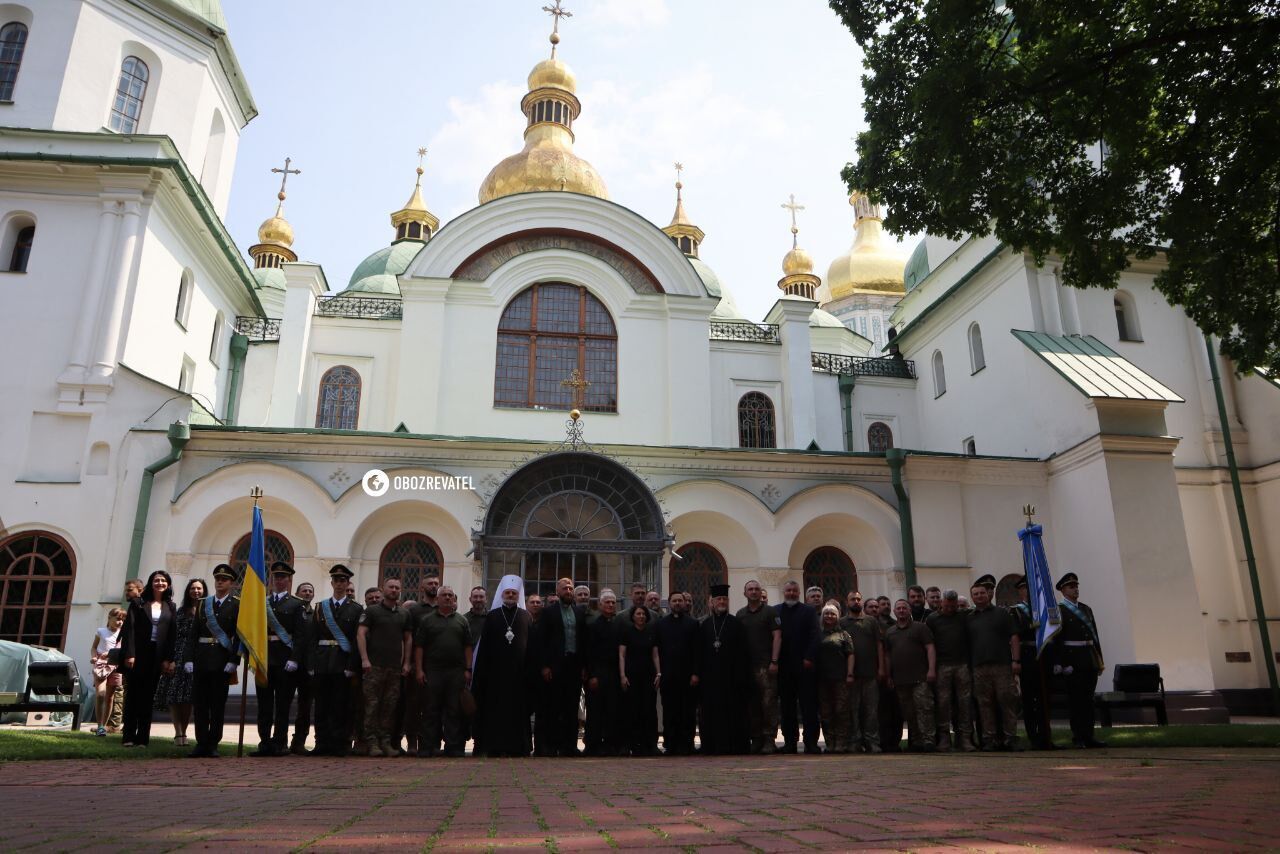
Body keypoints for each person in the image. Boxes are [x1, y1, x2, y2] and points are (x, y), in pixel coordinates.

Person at [472, 576, 534, 757]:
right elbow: (484, 648)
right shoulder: (492, 616)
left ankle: (518, 747)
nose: (510, 595)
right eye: (507, 592)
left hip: (518, 675)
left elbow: (531, 646)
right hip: (495, 675)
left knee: (517, 712)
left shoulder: (525, 617)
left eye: (514, 593)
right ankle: (494, 746)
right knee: (495, 711)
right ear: (502, 594)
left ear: (518, 595)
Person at [251, 562, 307, 757]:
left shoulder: (296, 604)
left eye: (283, 577)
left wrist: (295, 659)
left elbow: (300, 636)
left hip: (285, 660)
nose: (279, 580)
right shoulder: (262, 602)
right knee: (264, 704)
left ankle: (280, 743)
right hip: (264, 658)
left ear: (289, 580)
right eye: (276, 577)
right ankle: (264, 742)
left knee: (282, 704)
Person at [185, 565, 240, 758]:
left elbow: (239, 635)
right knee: (200, 704)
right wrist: (188, 658)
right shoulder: (203, 604)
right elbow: (193, 634)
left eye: (224, 579)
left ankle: (213, 743)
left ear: (231, 583)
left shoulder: (236, 604)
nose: (220, 582)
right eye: (217, 578)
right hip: (201, 659)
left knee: (217, 704)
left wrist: (235, 660)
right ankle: (201, 743)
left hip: (222, 659)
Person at [413, 586, 473, 757]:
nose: (447, 598)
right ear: (437, 599)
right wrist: (419, 670)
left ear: (454, 599)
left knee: (454, 710)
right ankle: (427, 746)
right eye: (444, 595)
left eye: (450, 595)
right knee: (431, 710)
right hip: (433, 671)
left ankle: (453, 746)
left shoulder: (462, 621)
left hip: (456, 672)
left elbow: (467, 646)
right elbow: (419, 647)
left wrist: (468, 669)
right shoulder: (427, 620)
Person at [120, 569, 177, 748]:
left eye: (163, 581)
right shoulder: (138, 602)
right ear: (151, 583)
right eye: (156, 580)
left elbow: (171, 634)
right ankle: (128, 736)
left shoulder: (171, 606)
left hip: (157, 655)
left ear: (168, 585)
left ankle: (143, 738)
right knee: (133, 696)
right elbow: (129, 629)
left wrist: (168, 658)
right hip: (138, 654)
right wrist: (130, 654)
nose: (160, 583)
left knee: (148, 697)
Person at [310, 565, 362, 757]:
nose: (339, 584)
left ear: (348, 584)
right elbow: (312, 638)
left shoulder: (356, 609)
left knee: (341, 705)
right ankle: (321, 743)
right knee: (321, 705)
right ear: (331, 583)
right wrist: (311, 665)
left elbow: (357, 640)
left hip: (343, 662)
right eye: (336, 580)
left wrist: (352, 665)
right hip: (322, 662)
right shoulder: (320, 607)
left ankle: (340, 744)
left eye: (343, 581)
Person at [357, 577, 412, 757]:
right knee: (372, 705)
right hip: (374, 666)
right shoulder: (372, 611)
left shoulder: (404, 614)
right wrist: (365, 659)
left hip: (394, 668)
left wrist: (406, 662)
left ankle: (385, 741)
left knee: (390, 706)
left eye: (397, 587)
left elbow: (408, 639)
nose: (394, 590)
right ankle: (371, 742)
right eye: (391, 587)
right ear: (384, 589)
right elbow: (361, 633)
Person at [694, 584, 750, 755]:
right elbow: (698, 652)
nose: (722, 602)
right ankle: (710, 746)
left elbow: (743, 652)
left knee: (732, 712)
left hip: (731, 678)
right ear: (711, 602)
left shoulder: (736, 624)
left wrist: (741, 676)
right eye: (719, 599)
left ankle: (733, 746)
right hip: (709, 678)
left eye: (724, 599)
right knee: (710, 712)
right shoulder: (704, 625)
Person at [536, 577, 589, 757]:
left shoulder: (579, 612)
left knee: (571, 707)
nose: (568, 591)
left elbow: (583, 641)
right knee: (554, 707)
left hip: (574, 665)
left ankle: (570, 746)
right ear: (557, 592)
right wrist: (544, 666)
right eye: (564, 588)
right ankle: (551, 746)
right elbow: (541, 641)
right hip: (555, 666)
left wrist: (583, 666)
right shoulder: (548, 612)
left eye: (570, 588)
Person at [1053, 572, 1106, 749]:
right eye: (1071, 586)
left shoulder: (1086, 609)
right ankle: (1078, 737)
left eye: (1076, 586)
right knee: (1076, 701)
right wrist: (1062, 662)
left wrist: (1099, 658)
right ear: (1062, 590)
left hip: (1088, 657)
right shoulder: (1058, 610)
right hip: (1072, 660)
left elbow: (1095, 635)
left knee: (1088, 700)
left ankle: (1090, 735)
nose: (1075, 589)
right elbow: (1056, 639)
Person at [155, 578, 204, 747]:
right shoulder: (180, 611)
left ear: (204, 591)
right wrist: (171, 659)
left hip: (197, 656)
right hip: (178, 654)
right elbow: (172, 636)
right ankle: (178, 732)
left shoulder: (206, 611)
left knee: (188, 698)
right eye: (192, 588)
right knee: (174, 696)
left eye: (199, 588)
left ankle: (185, 730)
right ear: (188, 591)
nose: (195, 591)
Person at [885, 598, 936, 752]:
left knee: (924, 709)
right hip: (900, 680)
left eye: (904, 608)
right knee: (909, 713)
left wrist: (931, 669)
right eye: (898, 608)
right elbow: (887, 655)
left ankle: (929, 741)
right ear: (894, 611)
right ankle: (916, 742)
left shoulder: (920, 628)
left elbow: (930, 648)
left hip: (920, 678)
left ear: (909, 610)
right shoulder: (890, 632)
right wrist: (888, 675)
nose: (901, 611)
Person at [736, 579, 781, 754]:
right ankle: (756, 739)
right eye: (750, 589)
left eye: (756, 589)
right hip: (748, 668)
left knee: (769, 704)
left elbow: (777, 637)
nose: (753, 592)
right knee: (752, 705)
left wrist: (774, 661)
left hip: (766, 667)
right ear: (745, 593)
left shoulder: (770, 612)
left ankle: (769, 739)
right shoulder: (740, 615)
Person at [925, 590, 974, 751]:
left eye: (953, 606)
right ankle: (944, 738)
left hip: (962, 665)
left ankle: (964, 738)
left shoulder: (963, 616)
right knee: (943, 704)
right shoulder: (932, 619)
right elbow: (929, 644)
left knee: (964, 703)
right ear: (941, 603)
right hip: (942, 666)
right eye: (947, 606)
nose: (950, 609)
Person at [776, 580, 820, 754]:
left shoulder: (808, 611)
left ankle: (811, 743)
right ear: (783, 592)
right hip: (784, 667)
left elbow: (815, 635)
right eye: (788, 590)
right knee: (787, 707)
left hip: (805, 666)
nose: (791, 593)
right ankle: (790, 742)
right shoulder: (776, 610)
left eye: (794, 590)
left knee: (809, 706)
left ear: (799, 592)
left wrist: (809, 657)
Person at [654, 590, 699, 755]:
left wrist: (695, 673)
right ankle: (671, 744)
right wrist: (659, 673)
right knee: (670, 712)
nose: (678, 603)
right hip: (668, 676)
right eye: (674, 601)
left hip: (687, 677)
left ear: (685, 603)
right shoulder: (661, 624)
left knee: (687, 712)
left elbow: (696, 651)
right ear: (669, 603)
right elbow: (656, 651)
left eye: (680, 600)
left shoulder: (693, 624)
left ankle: (687, 744)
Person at [1011, 576, 1053, 749]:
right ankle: (1034, 736)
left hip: (1043, 656)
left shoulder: (1045, 609)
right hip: (1027, 656)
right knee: (1029, 699)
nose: (1029, 592)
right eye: (1026, 589)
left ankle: (1046, 736)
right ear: (1021, 591)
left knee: (1044, 699)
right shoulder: (1017, 611)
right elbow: (1015, 634)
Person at [840, 591, 884, 753]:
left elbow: (879, 645)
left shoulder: (871, 621)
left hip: (870, 673)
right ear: (847, 602)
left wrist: (881, 668)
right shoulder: (842, 623)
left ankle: (872, 741)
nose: (856, 602)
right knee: (853, 710)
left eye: (859, 599)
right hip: (851, 675)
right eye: (853, 599)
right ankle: (854, 741)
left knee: (871, 710)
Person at [583, 590, 624, 756]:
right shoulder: (592, 625)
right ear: (600, 605)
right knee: (595, 712)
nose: (610, 605)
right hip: (598, 674)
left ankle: (611, 744)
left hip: (614, 674)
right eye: (607, 602)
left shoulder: (619, 625)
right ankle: (592, 745)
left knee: (612, 711)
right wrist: (592, 675)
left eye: (613, 602)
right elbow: (588, 652)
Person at [618, 604, 659, 756]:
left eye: (643, 614)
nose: (641, 616)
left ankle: (650, 745)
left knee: (648, 710)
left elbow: (655, 655)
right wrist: (622, 675)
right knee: (631, 711)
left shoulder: (651, 632)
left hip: (648, 676)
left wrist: (659, 673)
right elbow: (622, 655)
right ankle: (631, 744)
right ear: (633, 616)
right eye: (638, 614)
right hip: (631, 676)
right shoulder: (627, 632)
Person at [815, 604, 854, 753]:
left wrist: (850, 673)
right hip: (822, 679)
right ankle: (830, 743)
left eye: (832, 614)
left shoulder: (844, 634)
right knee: (826, 712)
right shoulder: (817, 634)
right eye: (826, 614)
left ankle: (841, 743)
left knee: (841, 711)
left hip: (840, 679)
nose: (829, 616)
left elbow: (850, 654)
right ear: (822, 617)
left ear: (837, 616)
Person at [290, 580, 316, 755]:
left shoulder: (317, 614)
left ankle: (299, 741)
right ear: (297, 593)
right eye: (304, 590)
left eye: (310, 591)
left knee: (305, 706)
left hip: (308, 667)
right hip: (290, 663)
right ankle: (278, 741)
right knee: (283, 704)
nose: (307, 593)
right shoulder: (290, 611)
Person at [90, 607, 125, 736]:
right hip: (101, 666)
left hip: (116, 666)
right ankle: (99, 724)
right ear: (109, 618)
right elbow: (94, 647)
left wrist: (112, 654)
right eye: (118, 619)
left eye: (122, 620)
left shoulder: (123, 633)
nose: (120, 622)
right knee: (100, 694)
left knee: (110, 697)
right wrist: (94, 656)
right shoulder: (101, 631)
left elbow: (123, 650)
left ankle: (103, 727)